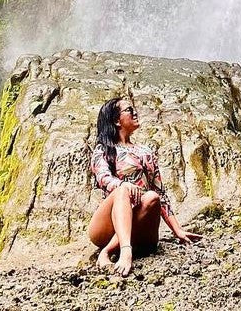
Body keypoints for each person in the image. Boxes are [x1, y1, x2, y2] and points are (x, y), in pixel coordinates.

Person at [87, 98, 202, 275]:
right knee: (122, 189)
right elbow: (103, 179)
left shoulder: (145, 152)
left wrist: (177, 230)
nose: (135, 112)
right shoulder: (104, 150)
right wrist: (123, 185)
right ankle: (123, 250)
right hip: (107, 228)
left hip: (142, 231)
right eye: (128, 110)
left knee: (152, 197)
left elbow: (160, 193)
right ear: (117, 120)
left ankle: (110, 252)